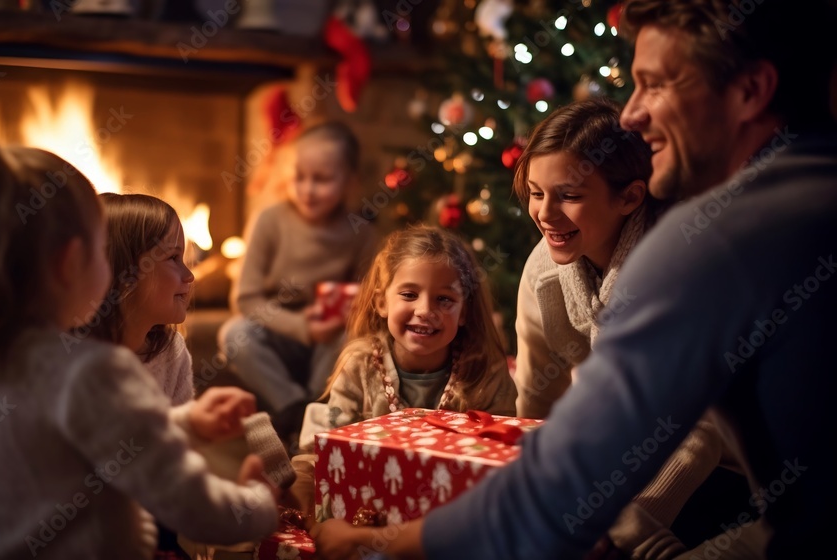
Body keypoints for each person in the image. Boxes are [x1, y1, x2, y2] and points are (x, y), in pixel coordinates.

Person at [311, 0, 837, 558]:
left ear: (751, 91)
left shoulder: (711, 242)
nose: (631, 116)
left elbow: (559, 494)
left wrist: (374, 544)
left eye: (655, 85)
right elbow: (541, 418)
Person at [0, 124, 279, 559]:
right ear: (71, 262)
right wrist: (259, 505)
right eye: (101, 247)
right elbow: (190, 504)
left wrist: (183, 425)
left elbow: (76, 442)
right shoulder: (90, 371)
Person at [513, 98, 742, 557]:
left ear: (631, 197)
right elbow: (538, 401)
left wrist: (630, 522)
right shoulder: (544, 271)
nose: (545, 213)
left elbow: (702, 429)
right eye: (537, 192)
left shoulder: (681, 265)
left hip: (734, 471)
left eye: (570, 195)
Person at [286, 224, 518, 524]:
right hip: (367, 513)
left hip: (454, 519)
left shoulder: (485, 371)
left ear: (463, 312)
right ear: (382, 302)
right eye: (409, 294)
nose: (425, 310)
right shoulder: (360, 364)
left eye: (444, 300)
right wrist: (300, 494)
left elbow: (503, 457)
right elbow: (326, 449)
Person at [218, 121, 378, 443]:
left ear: (349, 182)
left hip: (329, 340)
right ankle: (296, 409)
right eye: (299, 177)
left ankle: (315, 409)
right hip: (276, 328)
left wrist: (343, 314)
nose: (307, 189)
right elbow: (246, 299)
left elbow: (370, 296)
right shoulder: (270, 220)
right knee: (234, 334)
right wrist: (301, 327)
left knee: (353, 338)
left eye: (321, 180)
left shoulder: (360, 232)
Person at [90, 192, 196, 406]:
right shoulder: (74, 364)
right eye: (173, 258)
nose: (190, 275)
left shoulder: (172, 352)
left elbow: (179, 436)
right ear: (123, 272)